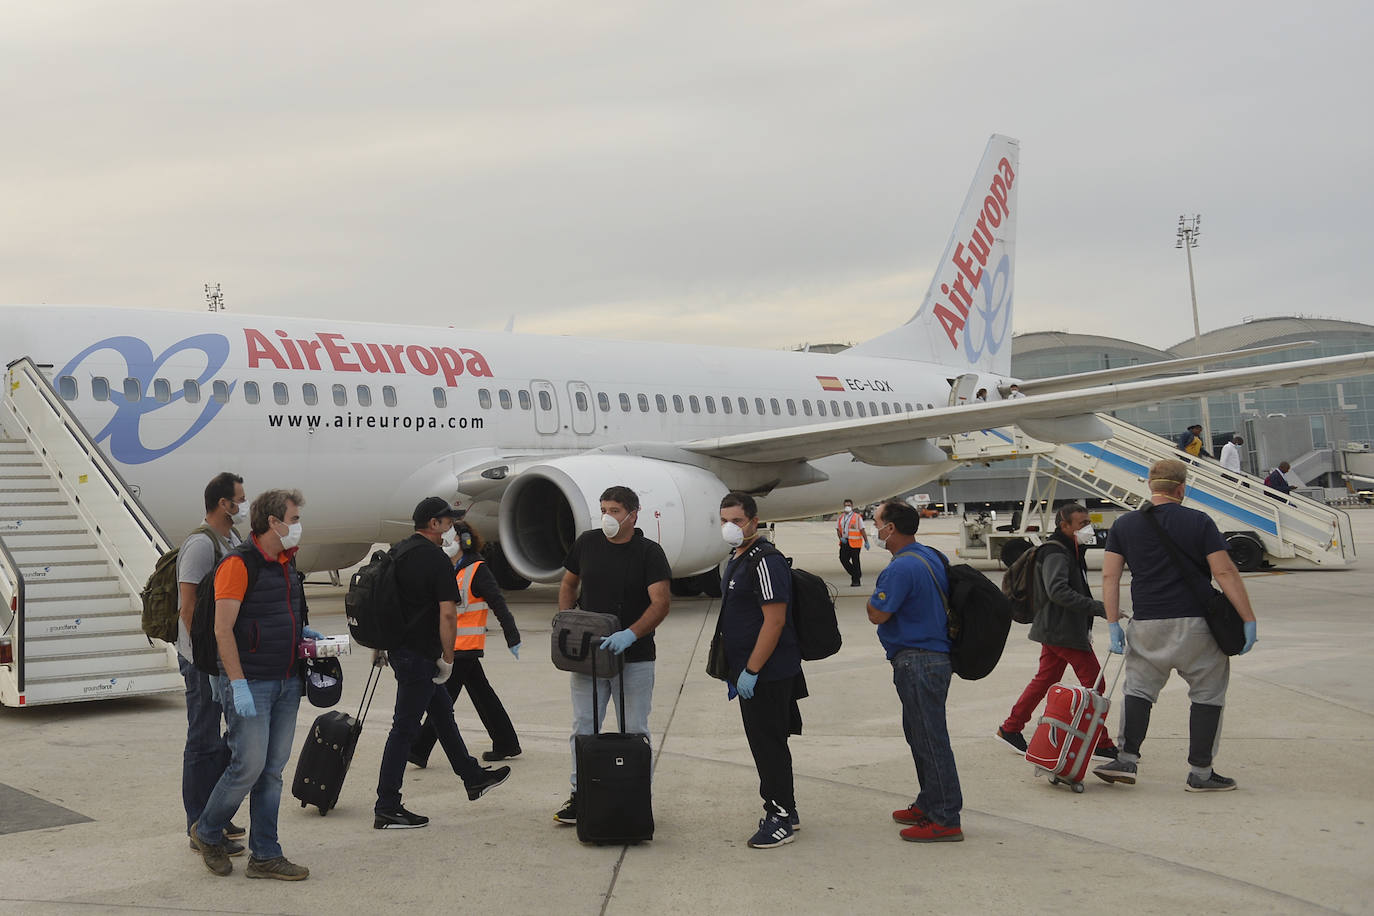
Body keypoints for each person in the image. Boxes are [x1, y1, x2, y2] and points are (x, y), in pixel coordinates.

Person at [1093, 459, 1258, 791]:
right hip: (1197, 625)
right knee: (1207, 695)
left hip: (1148, 624)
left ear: (1151, 486)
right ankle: (1200, 773)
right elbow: (1225, 572)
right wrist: (1248, 618)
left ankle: (1126, 759)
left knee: (1138, 691)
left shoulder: (1124, 525)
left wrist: (1113, 623)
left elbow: (1110, 576)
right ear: (1182, 488)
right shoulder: (1199, 521)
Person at [190, 489, 317, 880]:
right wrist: (237, 684)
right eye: (294, 519)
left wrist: (308, 639)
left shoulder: (286, 565)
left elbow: (287, 617)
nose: (298, 527)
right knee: (247, 766)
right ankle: (208, 830)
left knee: (272, 771)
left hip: (286, 681)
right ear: (273, 523)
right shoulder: (238, 564)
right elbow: (222, 629)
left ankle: (265, 854)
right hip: (251, 683)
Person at [374, 498, 511, 829]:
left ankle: (473, 776)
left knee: (442, 714)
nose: (453, 529)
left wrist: (381, 646)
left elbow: (383, 602)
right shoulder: (435, 559)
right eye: (448, 522)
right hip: (422, 656)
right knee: (404, 728)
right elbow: (448, 613)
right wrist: (448, 657)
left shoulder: (400, 551)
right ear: (433, 524)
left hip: (402, 651)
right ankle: (387, 806)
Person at [553, 485, 671, 825]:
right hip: (587, 657)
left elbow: (661, 602)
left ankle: (635, 794)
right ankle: (580, 795)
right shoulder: (587, 544)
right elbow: (567, 584)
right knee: (584, 727)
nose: (608, 516)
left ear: (633, 514)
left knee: (634, 729)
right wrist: (567, 622)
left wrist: (630, 634)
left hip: (634, 657)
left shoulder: (649, 553)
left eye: (615, 510)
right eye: (604, 509)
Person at [866, 499, 963, 842]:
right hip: (932, 657)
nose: (874, 528)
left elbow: (877, 613)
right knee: (920, 734)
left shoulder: (900, 569)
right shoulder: (931, 555)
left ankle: (946, 816)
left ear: (890, 528)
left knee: (931, 738)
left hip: (918, 659)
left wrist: (872, 602)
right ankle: (929, 801)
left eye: (876, 522)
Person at [718, 492, 807, 849]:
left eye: (737, 521)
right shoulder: (738, 557)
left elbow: (774, 621)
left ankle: (780, 816)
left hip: (767, 673)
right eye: (724, 520)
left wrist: (752, 669)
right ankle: (788, 809)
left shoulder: (764, 561)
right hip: (751, 671)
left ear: (755, 521)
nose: (730, 527)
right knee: (767, 742)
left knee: (768, 744)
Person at [995, 504, 1118, 759]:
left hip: (1054, 628)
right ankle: (1101, 743)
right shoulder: (1056, 553)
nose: (1088, 528)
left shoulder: (1071, 550)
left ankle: (1011, 728)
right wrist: (1100, 608)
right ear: (1065, 526)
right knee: (1096, 684)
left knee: (1045, 681)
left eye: (1088, 522)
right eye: (1082, 523)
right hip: (1062, 630)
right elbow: (1057, 591)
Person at [410, 519, 523, 767]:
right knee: (482, 695)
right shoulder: (451, 570)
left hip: (465, 647)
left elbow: (498, 603)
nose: (445, 542)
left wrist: (511, 635)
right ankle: (506, 742)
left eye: (451, 538)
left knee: (441, 699)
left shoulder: (477, 569)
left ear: (465, 541)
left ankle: (418, 749)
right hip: (454, 646)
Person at [177, 472, 248, 856]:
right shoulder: (200, 545)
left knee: (227, 738)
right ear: (224, 503)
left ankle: (214, 814)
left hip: (221, 658)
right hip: (202, 660)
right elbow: (188, 608)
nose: (243, 504)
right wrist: (206, 658)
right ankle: (197, 821)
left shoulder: (232, 539)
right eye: (240, 498)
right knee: (202, 739)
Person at [836, 499, 868, 588]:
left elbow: (862, 529)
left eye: (849, 505)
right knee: (843, 559)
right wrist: (840, 538)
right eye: (846, 505)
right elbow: (838, 529)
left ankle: (856, 581)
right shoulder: (841, 517)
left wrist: (866, 541)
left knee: (855, 561)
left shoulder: (857, 517)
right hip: (845, 542)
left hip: (855, 542)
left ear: (852, 506)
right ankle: (856, 574)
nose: (847, 507)